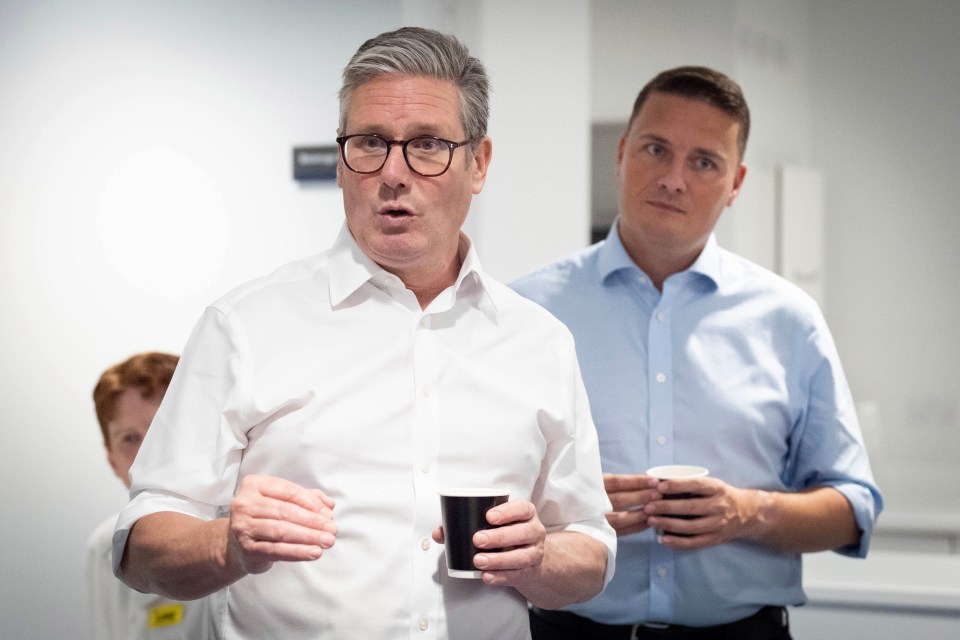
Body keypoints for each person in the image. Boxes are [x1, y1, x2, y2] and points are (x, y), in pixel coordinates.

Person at [112, 27, 615, 640]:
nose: (393, 173)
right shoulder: (244, 326)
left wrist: (539, 560)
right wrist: (227, 545)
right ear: (341, 159)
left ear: (477, 164)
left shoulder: (540, 341)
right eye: (370, 143)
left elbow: (590, 543)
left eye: (427, 145)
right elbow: (140, 545)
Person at [512, 66, 883, 639]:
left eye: (704, 162)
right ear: (621, 153)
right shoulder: (525, 312)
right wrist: (567, 513)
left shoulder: (789, 320)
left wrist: (749, 512)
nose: (673, 179)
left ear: (736, 184)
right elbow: (464, 491)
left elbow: (853, 509)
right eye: (656, 149)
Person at [86, 352, 214, 639]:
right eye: (130, 439)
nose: (148, 452)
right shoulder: (104, 547)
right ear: (113, 462)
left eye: (161, 429)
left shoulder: (247, 527)